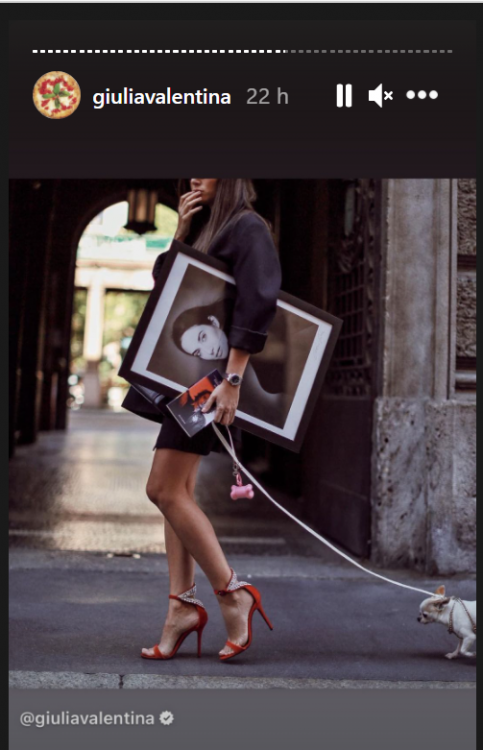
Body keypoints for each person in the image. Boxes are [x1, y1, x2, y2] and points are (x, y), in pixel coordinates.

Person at [140, 178, 282, 661]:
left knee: (162, 488)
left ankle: (231, 592)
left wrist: (234, 380)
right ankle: (181, 606)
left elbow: (260, 298)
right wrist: (180, 232)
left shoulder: (247, 227)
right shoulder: (208, 229)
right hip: (188, 380)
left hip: (210, 383)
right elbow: (167, 289)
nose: (194, 176)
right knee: (175, 494)